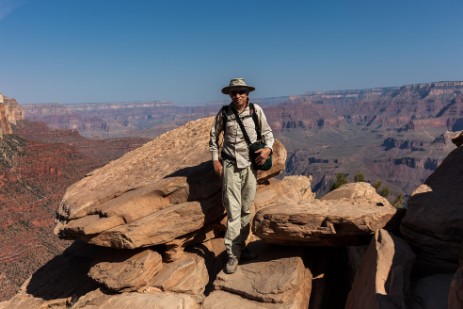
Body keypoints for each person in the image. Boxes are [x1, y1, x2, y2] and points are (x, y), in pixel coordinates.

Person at [209, 77, 274, 274]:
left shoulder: (256, 111)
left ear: (247, 94)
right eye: (234, 93)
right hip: (230, 166)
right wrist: (215, 159)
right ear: (230, 95)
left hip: (249, 167)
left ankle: (242, 247)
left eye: (241, 92)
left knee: (246, 210)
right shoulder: (225, 113)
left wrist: (267, 150)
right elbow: (214, 136)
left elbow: (268, 133)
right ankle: (232, 255)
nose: (237, 96)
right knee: (233, 211)